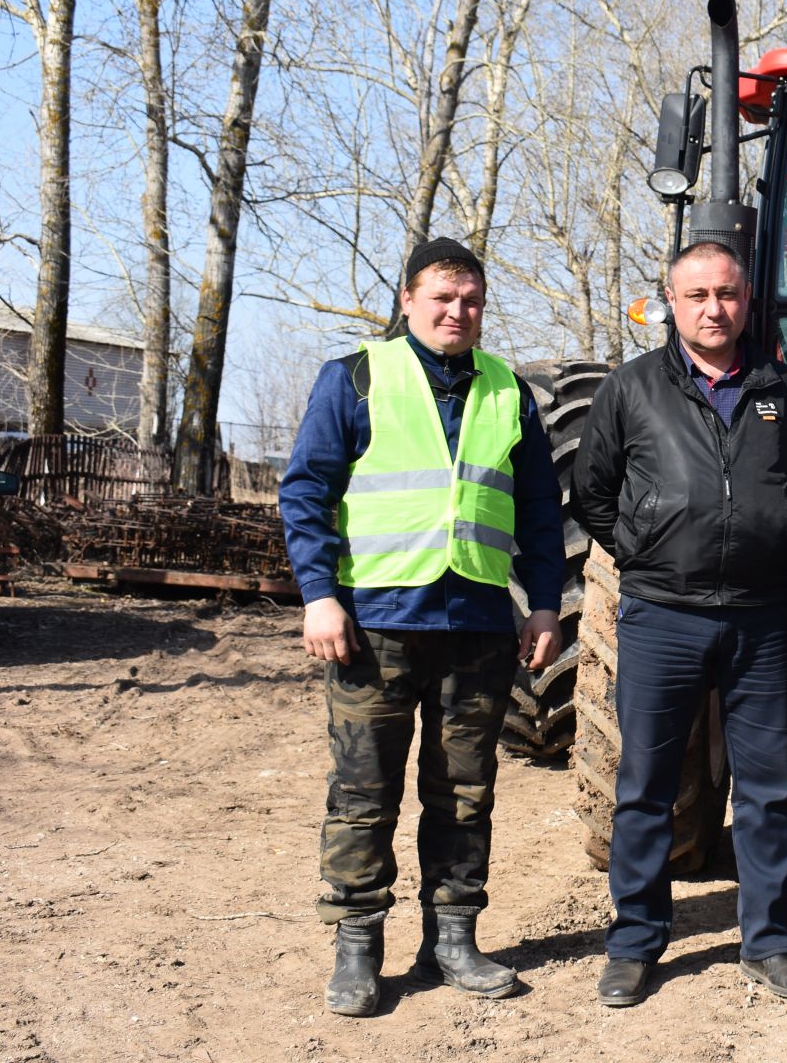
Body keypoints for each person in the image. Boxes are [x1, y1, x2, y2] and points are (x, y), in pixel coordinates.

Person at [280, 237, 565, 1018]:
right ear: (408, 300)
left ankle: (452, 940)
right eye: (441, 298)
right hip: (373, 624)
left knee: (465, 794)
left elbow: (540, 509)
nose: (457, 312)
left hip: (476, 624)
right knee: (364, 793)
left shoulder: (510, 392)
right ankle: (357, 946)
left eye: (470, 300)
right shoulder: (356, 378)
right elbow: (305, 491)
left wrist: (544, 600)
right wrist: (319, 595)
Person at [572, 240, 787, 1009]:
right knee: (644, 786)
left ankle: (770, 945)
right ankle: (636, 942)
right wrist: (648, 557)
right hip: (664, 619)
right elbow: (595, 493)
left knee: (769, 792)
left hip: (762, 622)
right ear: (672, 304)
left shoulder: (782, 387)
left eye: (727, 294)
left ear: (747, 301)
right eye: (697, 296)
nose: (714, 309)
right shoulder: (633, 387)